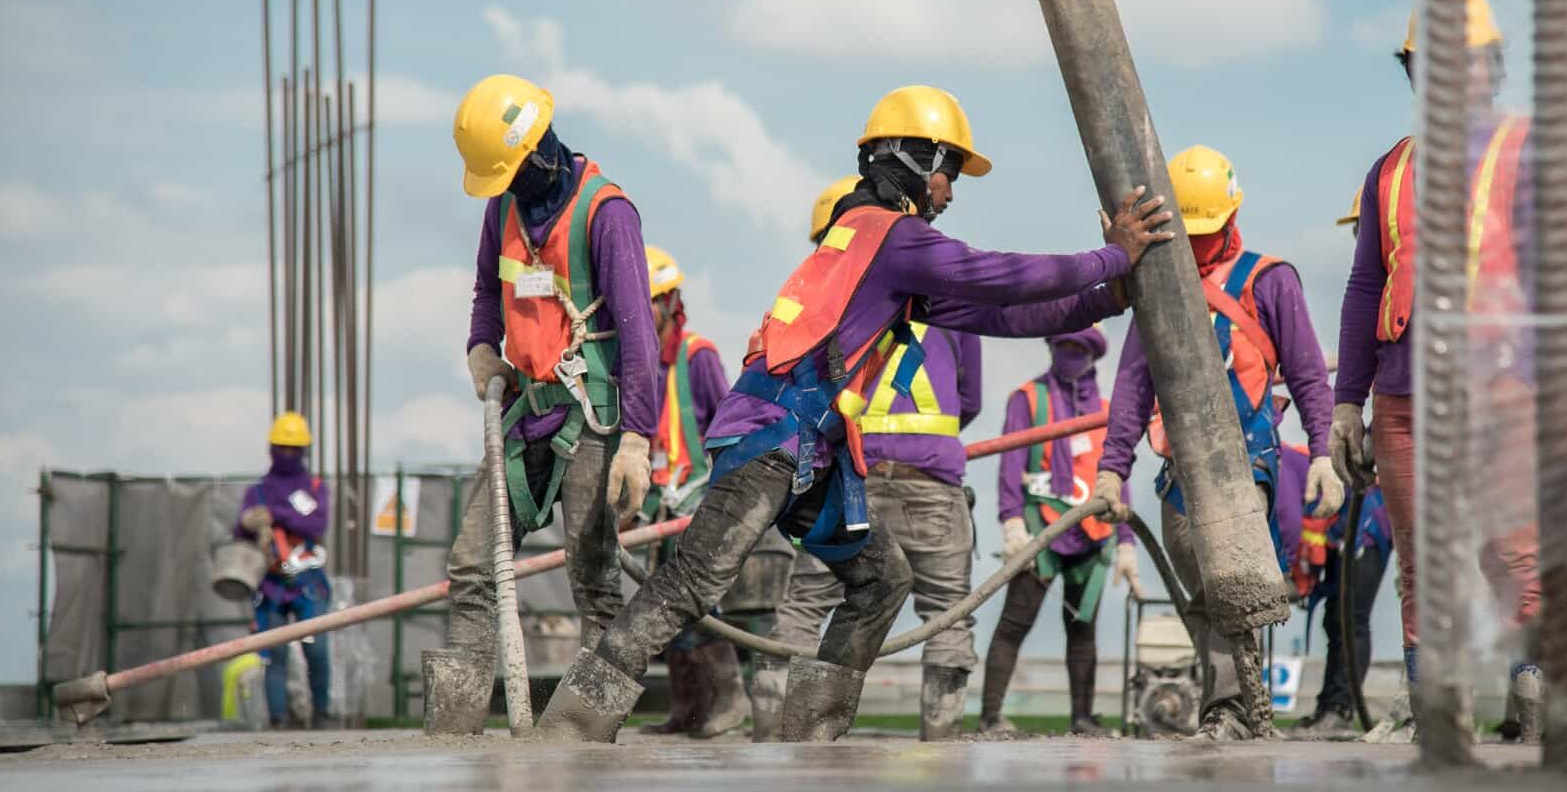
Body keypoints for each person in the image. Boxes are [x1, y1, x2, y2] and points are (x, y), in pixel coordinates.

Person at [535, 84, 1172, 743]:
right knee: (693, 581)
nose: (951, 193)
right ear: (916, 162)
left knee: (879, 579)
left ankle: (817, 726)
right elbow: (1001, 275)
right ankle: (575, 722)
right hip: (772, 439)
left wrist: (1106, 296)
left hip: (802, 452)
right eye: (949, 173)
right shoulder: (888, 237)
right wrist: (1113, 255)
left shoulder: (868, 245)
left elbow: (1000, 315)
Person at [1329, 0, 1544, 741]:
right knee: (1422, 563)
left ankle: (1533, 705)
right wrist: (1346, 404)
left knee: (1515, 553)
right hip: (1405, 399)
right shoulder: (1389, 171)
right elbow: (1365, 288)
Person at [425, 73, 661, 735]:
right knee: (472, 565)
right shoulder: (501, 209)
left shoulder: (606, 214)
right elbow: (484, 288)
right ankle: (456, 730)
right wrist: (481, 345)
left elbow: (640, 336)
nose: (501, 188)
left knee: (594, 580)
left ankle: (587, 733)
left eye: (507, 173)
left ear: (537, 154)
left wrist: (638, 442)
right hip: (526, 415)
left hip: (589, 422)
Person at [1096, 145, 1344, 741]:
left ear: (1232, 218)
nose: (1199, 243)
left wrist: (1322, 454)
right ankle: (1234, 712)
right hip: (1178, 475)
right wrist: (1111, 468)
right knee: (1207, 601)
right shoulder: (1155, 281)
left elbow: (1308, 374)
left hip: (1244, 470)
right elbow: (1133, 385)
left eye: (1207, 230)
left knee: (1228, 596)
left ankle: (1230, 713)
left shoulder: (1269, 281)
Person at [752, 177, 987, 743]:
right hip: (930, 481)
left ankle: (770, 740)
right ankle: (941, 743)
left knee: (808, 603)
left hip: (846, 480)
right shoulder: (951, 302)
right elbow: (970, 398)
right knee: (947, 612)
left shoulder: (817, 306)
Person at [979, 326, 1134, 737]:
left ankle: (1082, 719)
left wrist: (1127, 543)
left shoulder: (1105, 410)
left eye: (1080, 347)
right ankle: (991, 716)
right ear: (1051, 346)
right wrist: (1011, 522)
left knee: (1082, 630)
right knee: (1015, 622)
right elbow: (1011, 461)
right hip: (1040, 527)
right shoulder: (1027, 400)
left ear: (1093, 354)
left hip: (1093, 534)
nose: (1071, 352)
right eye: (1064, 344)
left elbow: (1119, 473)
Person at [633, 245, 754, 740]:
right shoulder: (636, 361)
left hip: (697, 498)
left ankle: (730, 701)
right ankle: (688, 709)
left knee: (703, 601)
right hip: (658, 502)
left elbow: (725, 424)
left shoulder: (696, 354)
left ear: (669, 302)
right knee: (667, 605)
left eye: (650, 303)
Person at [1287, 194, 1394, 740]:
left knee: (1350, 611)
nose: (1361, 242)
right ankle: (1335, 706)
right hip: (1362, 484)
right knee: (1336, 612)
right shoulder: (1366, 299)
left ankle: (1344, 708)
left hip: (1382, 495)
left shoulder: (1397, 295)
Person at [236, 411, 332, 729]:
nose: (287, 454)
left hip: (307, 581)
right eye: (282, 447)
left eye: (294, 448)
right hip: (271, 585)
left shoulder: (314, 487)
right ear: (272, 448)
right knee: (274, 656)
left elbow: (316, 522)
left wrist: (278, 514)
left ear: (304, 450)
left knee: (316, 649)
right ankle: (277, 720)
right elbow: (239, 536)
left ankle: (321, 714)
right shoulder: (258, 492)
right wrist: (247, 523)